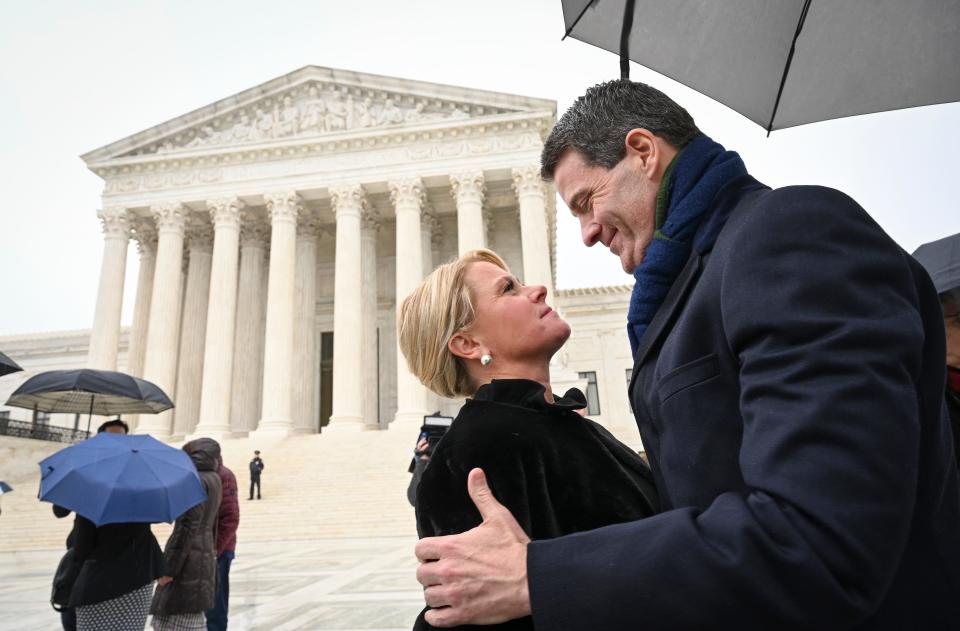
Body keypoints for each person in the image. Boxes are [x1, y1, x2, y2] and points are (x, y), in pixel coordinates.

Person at [413, 80, 960, 630]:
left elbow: (819, 534)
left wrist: (539, 576)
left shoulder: (787, 233)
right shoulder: (699, 281)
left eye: (586, 202)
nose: (585, 234)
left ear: (644, 153)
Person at [399, 248, 659, 630]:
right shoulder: (477, 450)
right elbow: (463, 610)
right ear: (468, 345)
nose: (538, 290)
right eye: (509, 289)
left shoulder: (566, 425)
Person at [150, 438, 223, 631]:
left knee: (177, 619)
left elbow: (186, 528)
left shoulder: (194, 480)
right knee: (190, 618)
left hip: (187, 560)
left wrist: (168, 569)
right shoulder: (214, 478)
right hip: (203, 554)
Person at [68, 517, 164, 629]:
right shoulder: (141, 501)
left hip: (99, 583)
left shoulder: (91, 501)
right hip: (139, 575)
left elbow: (82, 548)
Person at [203, 438, 240, 631]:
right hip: (199, 548)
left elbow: (230, 517)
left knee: (216, 602)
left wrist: (216, 549)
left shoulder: (223, 476)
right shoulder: (197, 475)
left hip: (219, 549)